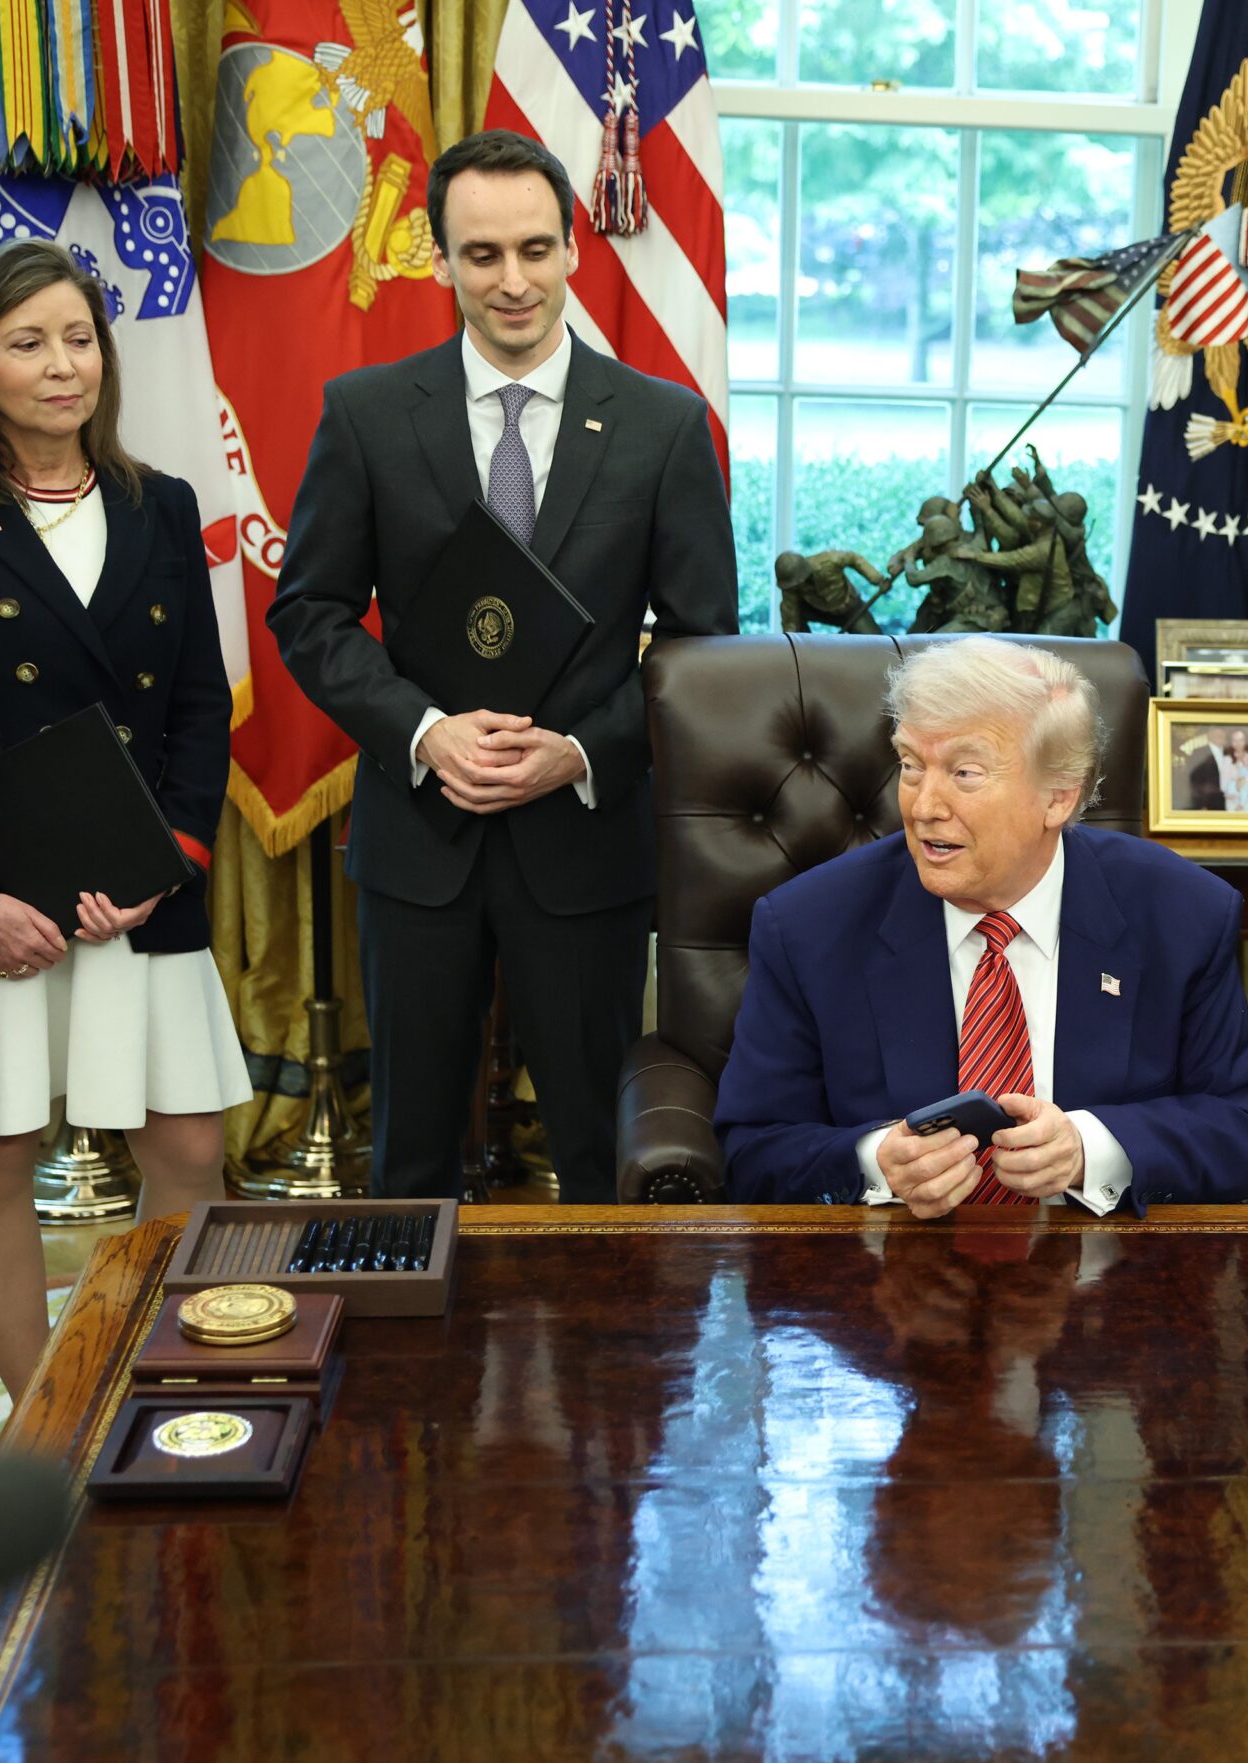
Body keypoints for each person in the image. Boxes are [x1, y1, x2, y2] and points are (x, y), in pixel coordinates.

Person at [267, 129, 737, 1202]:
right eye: (481, 254)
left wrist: (576, 750)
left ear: (575, 249)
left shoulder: (664, 427)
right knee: (411, 1162)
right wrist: (424, 733)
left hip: (584, 846)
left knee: (597, 1151)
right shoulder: (369, 415)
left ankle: (610, 1372)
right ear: (437, 259)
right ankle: (407, 1373)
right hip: (416, 847)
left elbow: (699, 645)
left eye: (534, 248)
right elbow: (312, 613)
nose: (512, 280)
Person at [0, 240, 248, 1399]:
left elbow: (199, 705)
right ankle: (43, 1415)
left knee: (187, 1144)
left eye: (80, 338)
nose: (63, 365)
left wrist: (168, 857)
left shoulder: (161, 504)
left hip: (134, 881)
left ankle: (150, 1377)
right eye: (28, 342)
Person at [714, 638, 1248, 1212]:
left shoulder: (1182, 915)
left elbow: (1242, 1133)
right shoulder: (809, 925)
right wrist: (873, 1161)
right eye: (910, 765)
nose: (923, 805)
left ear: (1058, 797)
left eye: (965, 772)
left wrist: (1091, 1151)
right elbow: (751, 1151)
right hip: (889, 1279)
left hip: (1108, 1280)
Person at [1216, 728, 1248, 813]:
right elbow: (1223, 786)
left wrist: (1246, 780)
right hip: (1233, 804)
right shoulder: (1227, 760)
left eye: (1241, 740)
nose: (1238, 744)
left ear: (1246, 740)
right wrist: (1237, 786)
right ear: (1230, 742)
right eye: (1234, 740)